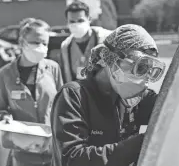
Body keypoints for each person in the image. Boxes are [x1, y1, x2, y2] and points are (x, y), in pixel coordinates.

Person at [51, 24, 166, 166]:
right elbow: (72, 159)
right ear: (110, 60)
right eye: (140, 67)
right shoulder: (74, 96)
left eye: (149, 70)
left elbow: (173, 112)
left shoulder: (142, 98)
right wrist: (141, 141)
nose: (144, 79)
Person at [0, 18, 63, 166]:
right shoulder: (4, 75)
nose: (41, 47)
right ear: (22, 42)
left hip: (52, 150)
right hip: (23, 153)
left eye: (45, 43)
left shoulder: (53, 68)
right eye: (36, 42)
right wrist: (5, 117)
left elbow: (62, 104)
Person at [60, 0, 112, 83]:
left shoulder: (105, 38)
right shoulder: (66, 46)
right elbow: (67, 75)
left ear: (89, 19)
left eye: (80, 21)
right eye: (72, 22)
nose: (76, 25)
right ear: (67, 22)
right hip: (79, 92)